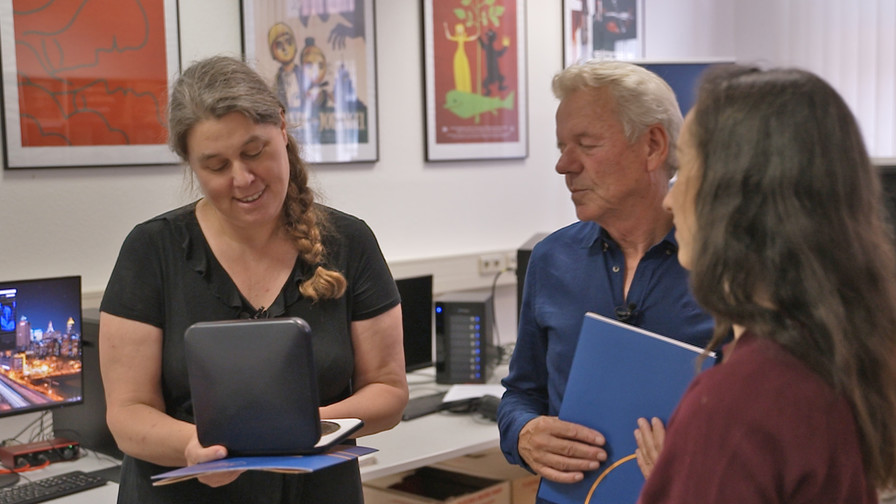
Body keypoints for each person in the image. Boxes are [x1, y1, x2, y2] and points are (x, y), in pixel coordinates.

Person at [98, 55, 408, 503]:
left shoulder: (350, 242)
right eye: (216, 166)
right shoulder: (152, 251)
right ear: (191, 165)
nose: (242, 179)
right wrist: (190, 446)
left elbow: (389, 390)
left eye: (253, 151)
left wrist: (303, 428)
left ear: (281, 126)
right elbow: (127, 413)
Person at [634, 64, 896, 503]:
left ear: (737, 202)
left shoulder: (736, 405)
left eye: (688, 172)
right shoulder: (839, 360)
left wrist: (699, 466)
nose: (669, 198)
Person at [496, 59, 715, 486]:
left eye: (586, 144)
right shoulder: (552, 258)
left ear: (653, 146)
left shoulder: (725, 265)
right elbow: (522, 394)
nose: (565, 166)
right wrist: (523, 433)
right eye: (562, 147)